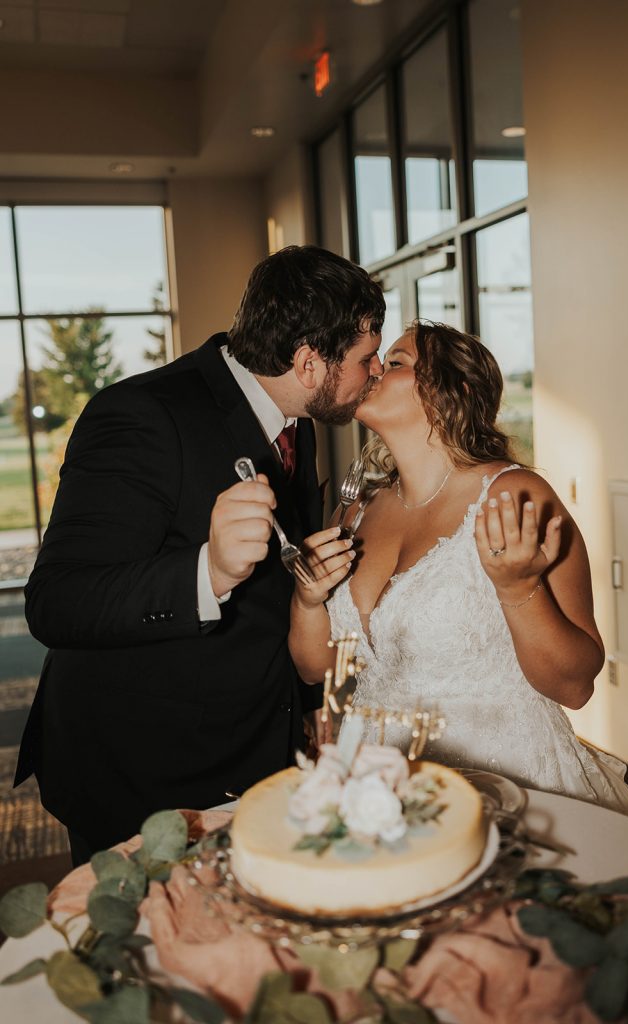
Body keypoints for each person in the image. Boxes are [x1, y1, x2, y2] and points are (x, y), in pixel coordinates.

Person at [15, 245, 386, 863]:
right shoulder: (141, 415)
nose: (375, 372)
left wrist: (305, 710)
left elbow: (274, 589)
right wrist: (206, 572)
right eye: (366, 358)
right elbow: (57, 602)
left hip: (253, 753)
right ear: (308, 363)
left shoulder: (298, 419)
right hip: (145, 771)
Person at [289, 320, 628, 819]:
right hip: (383, 781)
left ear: (450, 392)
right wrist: (307, 598)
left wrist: (518, 589)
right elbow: (316, 668)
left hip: (507, 779)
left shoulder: (514, 496)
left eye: (395, 362)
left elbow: (575, 686)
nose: (373, 371)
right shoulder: (356, 511)